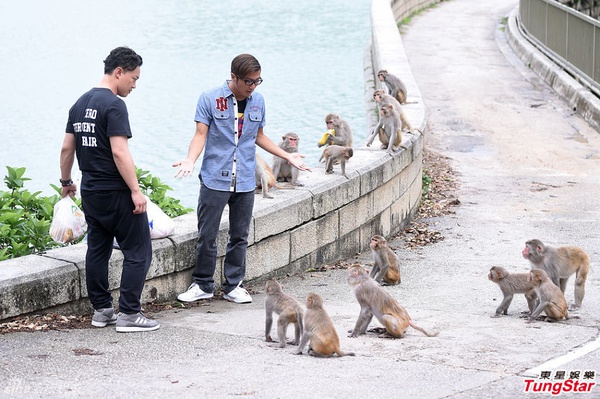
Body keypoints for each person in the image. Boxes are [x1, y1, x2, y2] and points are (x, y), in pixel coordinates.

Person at [173, 53, 310, 304]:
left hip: (245, 179)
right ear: (233, 77)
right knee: (207, 233)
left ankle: (233, 285)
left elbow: (259, 136)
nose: (252, 86)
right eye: (248, 81)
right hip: (215, 177)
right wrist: (190, 160)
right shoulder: (210, 99)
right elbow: (200, 135)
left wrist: (287, 157)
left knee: (240, 236)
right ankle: (202, 284)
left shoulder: (258, 101)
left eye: (257, 81)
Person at [59, 46, 159, 333]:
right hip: (116, 193)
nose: (135, 85)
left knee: (98, 250)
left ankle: (102, 310)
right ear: (119, 72)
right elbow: (119, 152)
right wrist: (136, 191)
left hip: (90, 192)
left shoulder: (79, 103)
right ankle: (129, 313)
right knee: (139, 250)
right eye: (134, 78)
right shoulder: (114, 105)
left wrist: (66, 183)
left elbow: (67, 148)